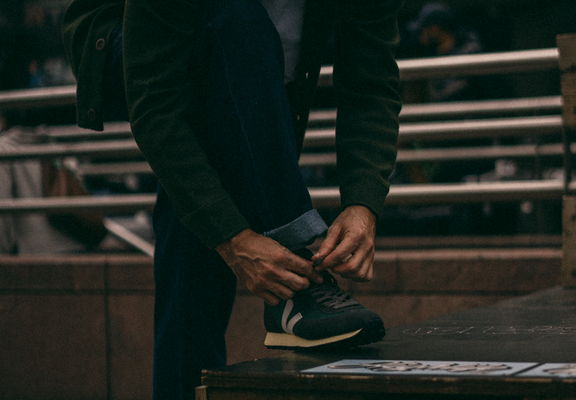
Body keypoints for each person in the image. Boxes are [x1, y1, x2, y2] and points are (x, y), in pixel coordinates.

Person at [62, 0, 402, 398]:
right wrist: (236, 240)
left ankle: (179, 388)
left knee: (192, 231)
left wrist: (363, 204)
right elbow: (156, 104)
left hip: (256, 89)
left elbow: (370, 79)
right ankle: (296, 288)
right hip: (135, 47)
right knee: (235, 17)